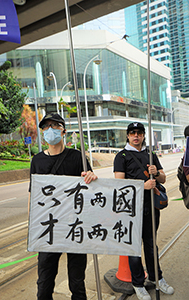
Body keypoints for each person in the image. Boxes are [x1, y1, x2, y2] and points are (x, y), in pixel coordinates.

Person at [29, 112, 98, 300]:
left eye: (55, 126)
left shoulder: (78, 158)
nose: (50, 130)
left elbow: (92, 191)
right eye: (46, 127)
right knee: (44, 282)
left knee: (77, 282)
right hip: (48, 229)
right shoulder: (37, 161)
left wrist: (92, 179)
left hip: (75, 226)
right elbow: (34, 197)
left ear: (64, 131)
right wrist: (34, 227)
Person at [113, 122, 174, 300]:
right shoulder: (121, 156)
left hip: (151, 208)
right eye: (132, 133)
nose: (136, 136)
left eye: (139, 133)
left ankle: (157, 278)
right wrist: (143, 186)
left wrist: (157, 172)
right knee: (134, 249)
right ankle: (138, 284)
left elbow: (163, 177)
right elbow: (119, 184)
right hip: (131, 209)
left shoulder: (150, 154)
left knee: (150, 245)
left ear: (143, 136)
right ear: (128, 136)